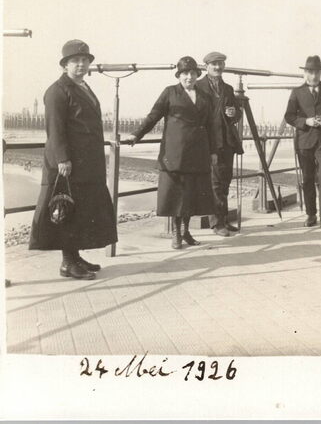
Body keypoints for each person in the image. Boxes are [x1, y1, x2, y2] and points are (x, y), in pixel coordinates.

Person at [29, 40, 118, 279]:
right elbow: (55, 129)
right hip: (69, 164)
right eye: (75, 60)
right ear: (65, 65)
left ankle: (75, 257)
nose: (81, 64)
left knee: (80, 210)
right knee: (66, 209)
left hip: (86, 164)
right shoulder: (57, 91)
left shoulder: (83, 87)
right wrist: (63, 159)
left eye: (85, 60)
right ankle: (68, 262)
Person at [126, 56, 217, 249]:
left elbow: (211, 125)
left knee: (192, 194)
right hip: (176, 151)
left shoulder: (205, 96)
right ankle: (176, 233)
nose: (189, 77)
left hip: (198, 151)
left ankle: (185, 231)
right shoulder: (170, 92)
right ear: (179, 75)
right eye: (185, 73)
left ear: (197, 75)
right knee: (177, 195)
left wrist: (213, 151)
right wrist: (136, 134)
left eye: (193, 73)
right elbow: (153, 116)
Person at [284, 55, 321, 230]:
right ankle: (311, 215)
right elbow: (289, 116)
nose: (314, 76)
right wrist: (306, 121)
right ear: (305, 73)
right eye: (310, 72)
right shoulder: (297, 92)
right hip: (305, 142)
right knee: (308, 179)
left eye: (317, 72)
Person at [196, 52, 244, 237]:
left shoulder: (228, 88)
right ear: (206, 66)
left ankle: (223, 219)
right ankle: (217, 223)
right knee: (215, 183)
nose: (218, 67)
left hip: (227, 142)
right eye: (214, 64)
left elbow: (237, 113)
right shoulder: (198, 87)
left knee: (225, 181)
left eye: (221, 64)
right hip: (209, 142)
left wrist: (234, 113)